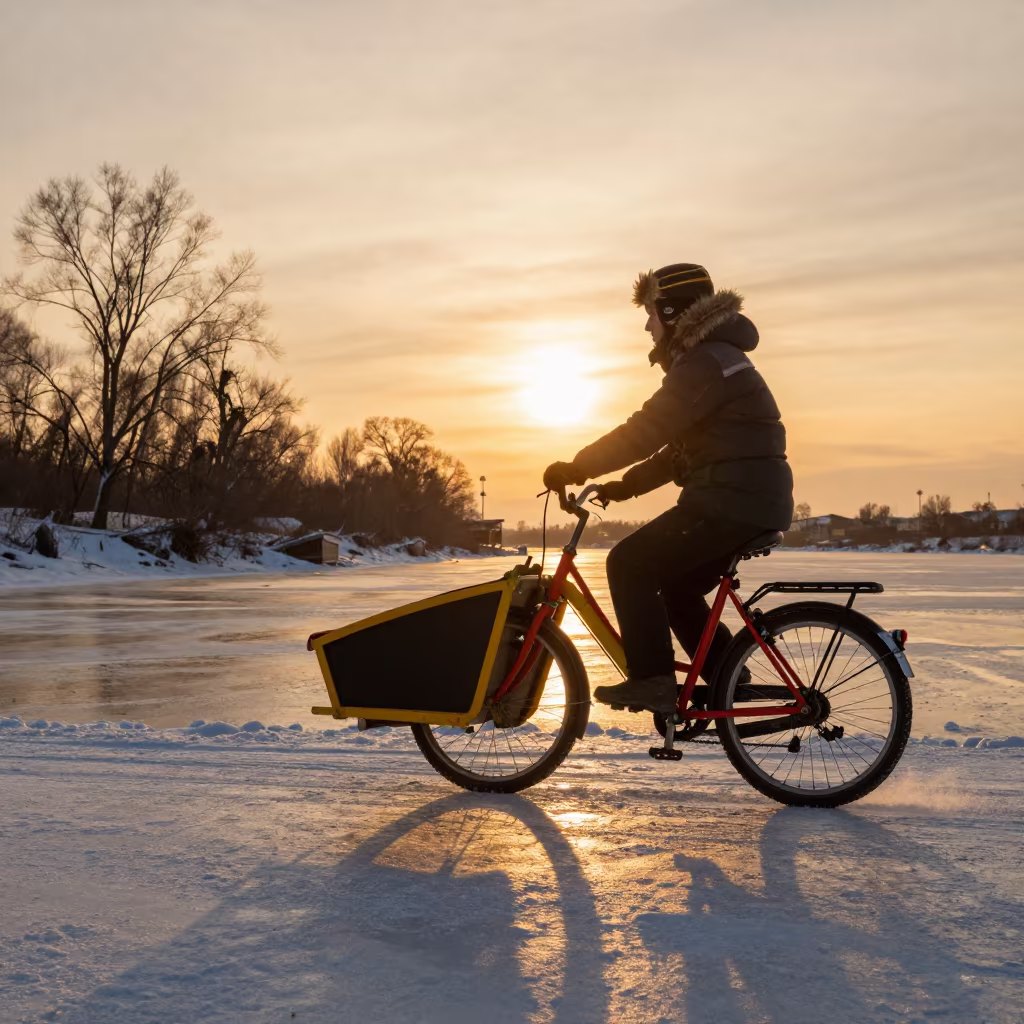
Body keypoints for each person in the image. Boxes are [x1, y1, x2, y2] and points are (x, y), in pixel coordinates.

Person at [543, 263, 794, 714]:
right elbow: (677, 450)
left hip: (731, 502)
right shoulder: (712, 358)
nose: (646, 324)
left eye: (652, 313)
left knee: (628, 563)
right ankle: (727, 679)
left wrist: (576, 467)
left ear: (674, 311)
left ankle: (653, 681)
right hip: (746, 499)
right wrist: (623, 487)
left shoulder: (705, 362)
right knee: (675, 585)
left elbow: (648, 429)